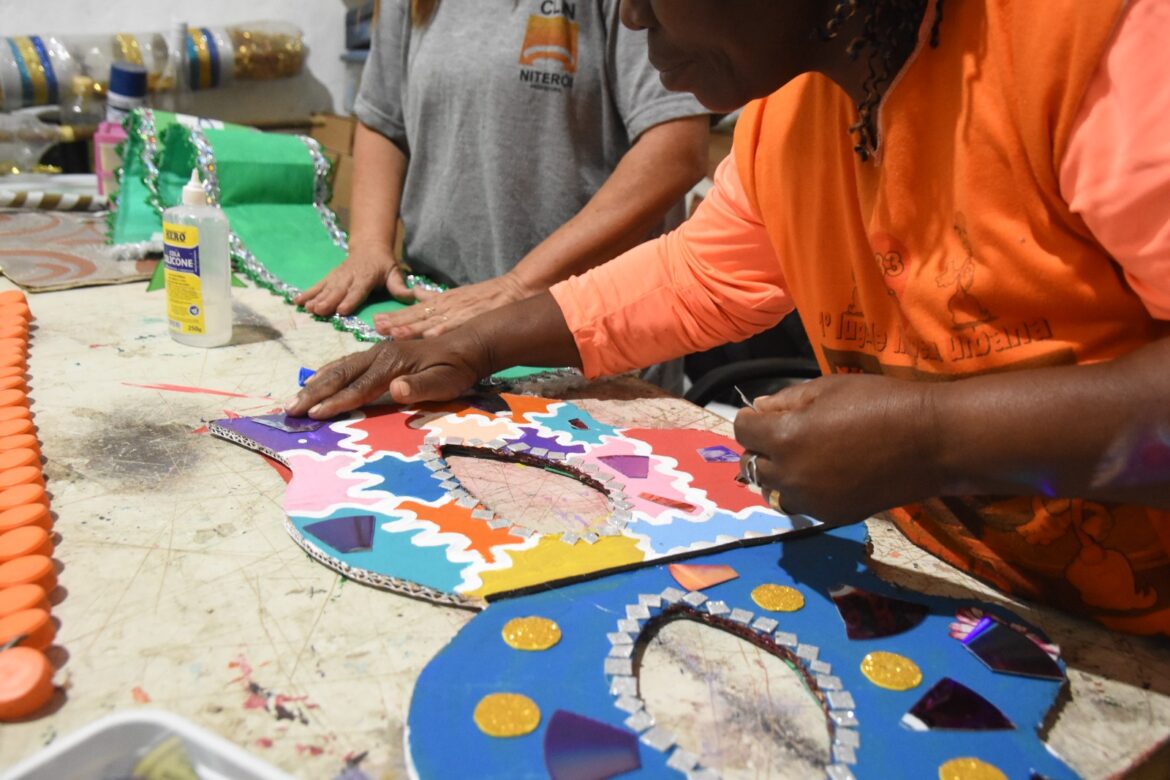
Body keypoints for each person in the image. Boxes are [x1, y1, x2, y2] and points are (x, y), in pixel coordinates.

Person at [288, 0, 1170, 635]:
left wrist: (936, 437)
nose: (632, 16)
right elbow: (693, 275)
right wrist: (471, 344)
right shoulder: (790, 117)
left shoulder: (1099, 41)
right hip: (973, 599)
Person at [293, 0, 709, 357]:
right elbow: (384, 120)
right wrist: (369, 246)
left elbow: (675, 152)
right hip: (442, 312)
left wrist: (519, 285)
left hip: (585, 328)